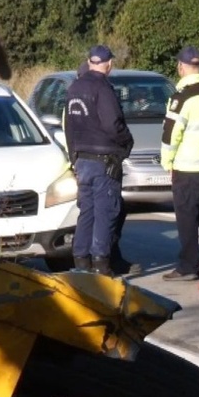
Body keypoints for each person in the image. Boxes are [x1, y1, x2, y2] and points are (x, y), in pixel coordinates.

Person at [62, 45, 135, 275]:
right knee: (106, 212)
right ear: (109, 63)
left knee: (87, 212)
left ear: (89, 61)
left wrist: (74, 156)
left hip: (82, 159)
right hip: (104, 160)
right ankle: (101, 264)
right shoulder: (102, 88)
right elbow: (113, 124)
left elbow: (69, 128)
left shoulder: (74, 87)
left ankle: (81, 261)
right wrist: (127, 142)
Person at [160, 46, 199, 280]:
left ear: (181, 67)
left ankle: (189, 265)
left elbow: (170, 134)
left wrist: (167, 162)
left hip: (187, 167)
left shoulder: (182, 98)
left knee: (187, 217)